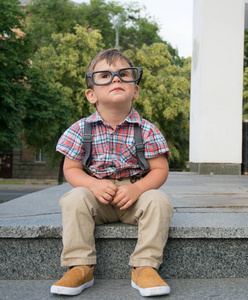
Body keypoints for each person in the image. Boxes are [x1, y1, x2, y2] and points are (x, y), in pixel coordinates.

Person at [50, 48, 173, 297]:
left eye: (123, 74)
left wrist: (138, 188)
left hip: (134, 196)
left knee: (159, 201)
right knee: (73, 199)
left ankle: (145, 266)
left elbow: (160, 169)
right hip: (98, 195)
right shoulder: (80, 130)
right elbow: (71, 169)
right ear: (91, 94)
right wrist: (93, 186)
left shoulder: (147, 130)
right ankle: (80, 265)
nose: (116, 79)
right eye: (105, 76)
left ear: (135, 90)